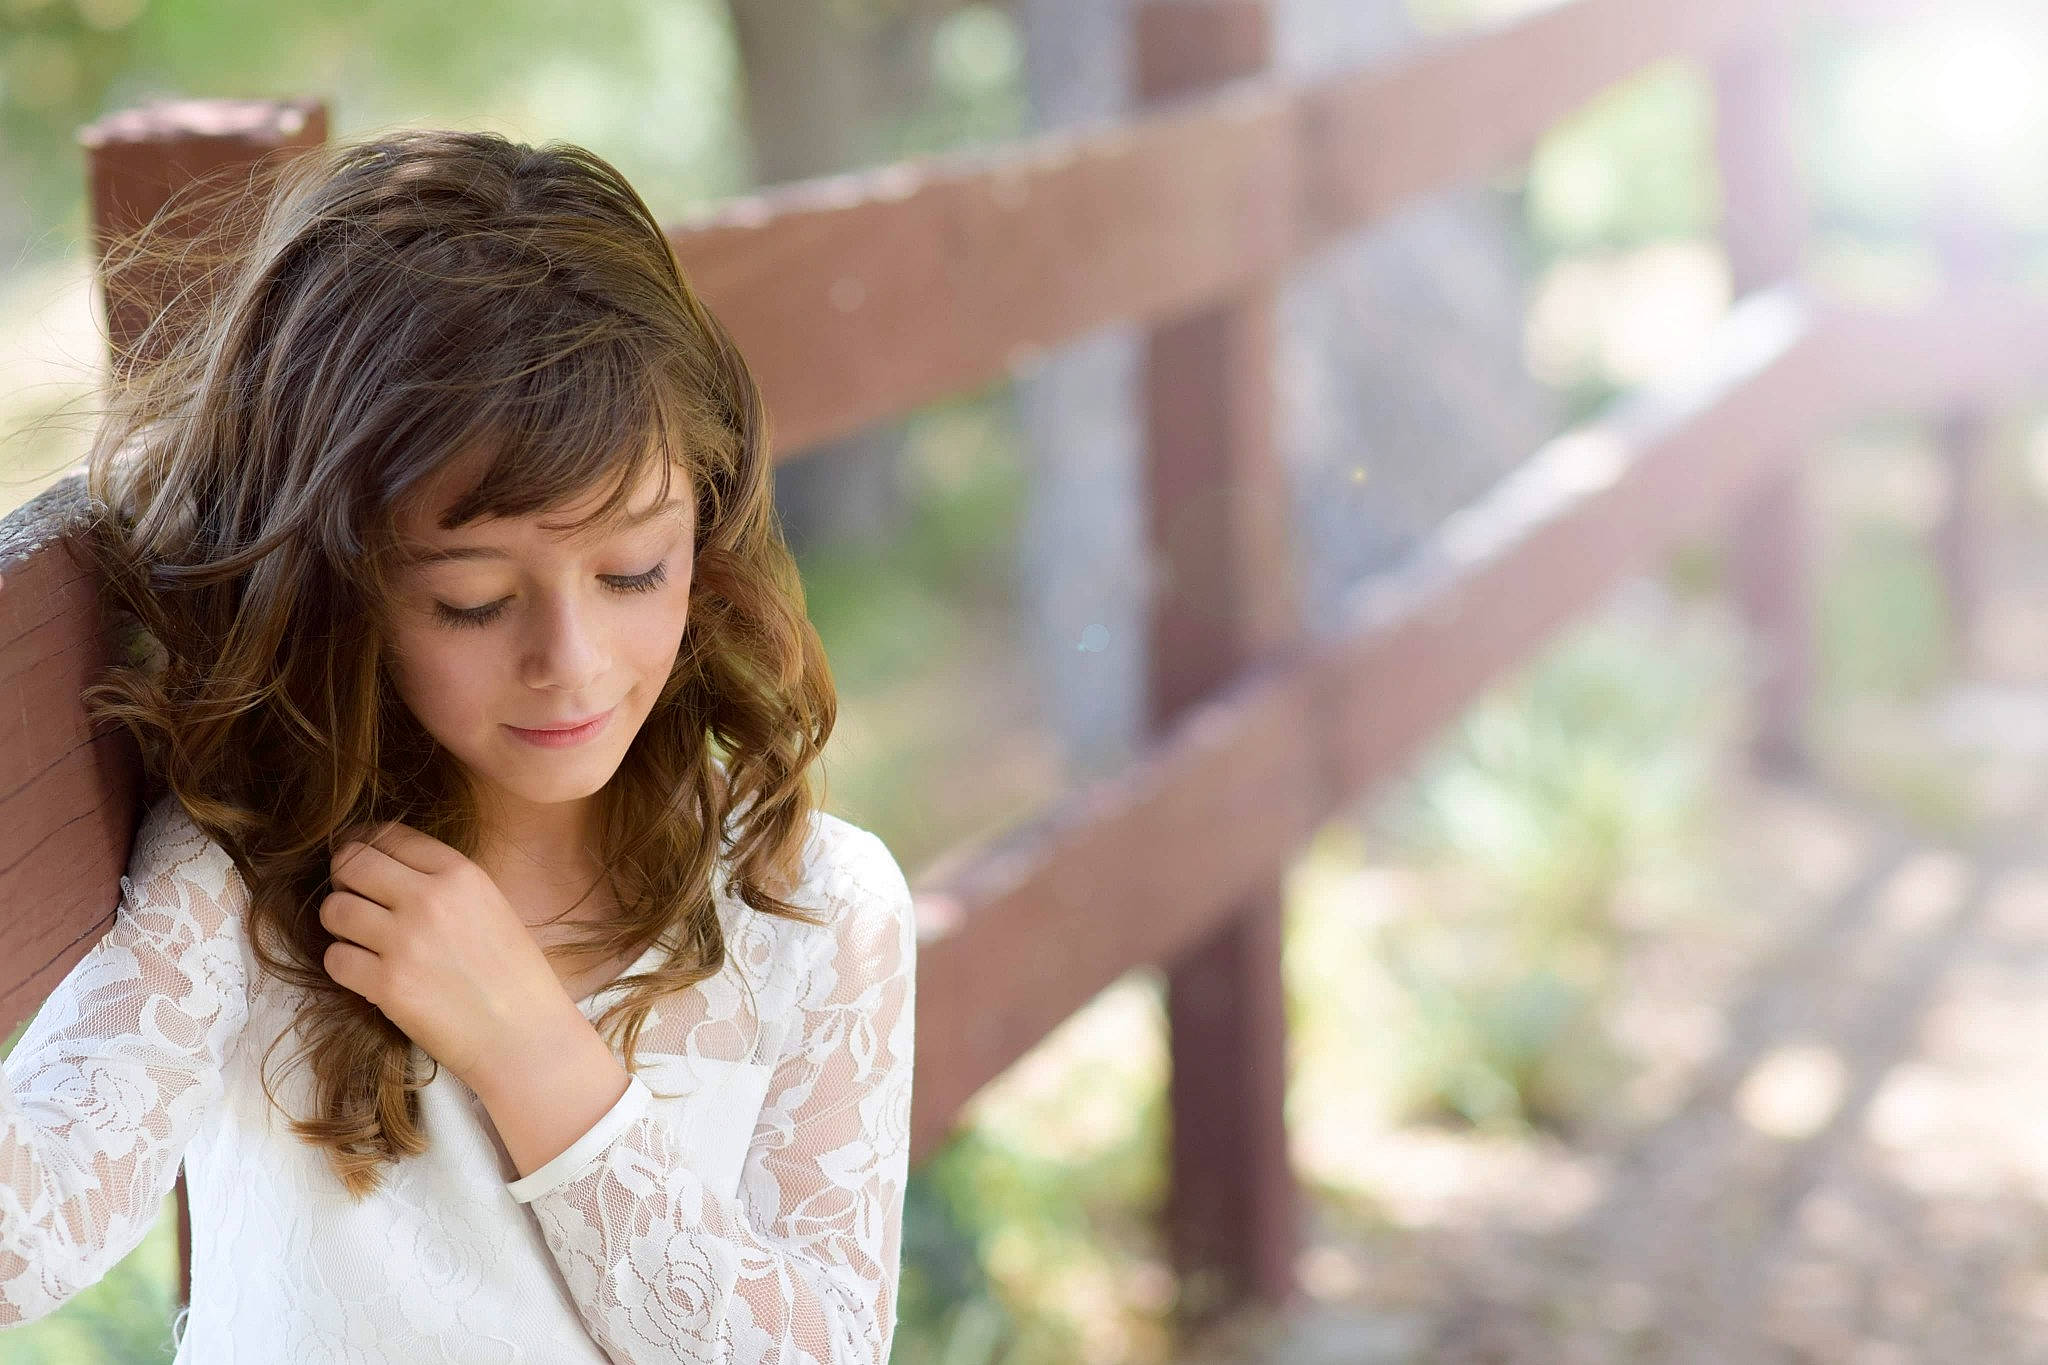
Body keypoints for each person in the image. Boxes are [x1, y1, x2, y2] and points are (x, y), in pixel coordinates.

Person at [0, 128, 917, 1364]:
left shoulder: (808, 909)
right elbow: (40, 1211)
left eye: (635, 571)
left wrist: (530, 1051)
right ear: (337, 583)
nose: (574, 661)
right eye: (474, 601)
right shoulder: (247, 878)